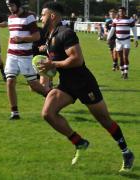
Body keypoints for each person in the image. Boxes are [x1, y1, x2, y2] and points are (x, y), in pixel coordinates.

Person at [40, 2, 134, 172]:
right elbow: (54, 61)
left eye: (43, 14)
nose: (41, 18)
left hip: (84, 84)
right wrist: (46, 70)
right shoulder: (50, 34)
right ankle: (79, 142)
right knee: (48, 113)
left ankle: (126, 152)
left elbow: (77, 59)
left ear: (52, 16)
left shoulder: (65, 33)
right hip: (67, 84)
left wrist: (52, 63)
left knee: (104, 120)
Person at [5, 0, 50, 120]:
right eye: (8, 5)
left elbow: (37, 36)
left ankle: (51, 95)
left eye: (12, 5)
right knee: (10, 81)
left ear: (18, 4)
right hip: (11, 55)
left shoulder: (29, 17)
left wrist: (22, 39)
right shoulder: (10, 18)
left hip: (25, 56)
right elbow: (12, 37)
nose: (10, 7)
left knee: (34, 85)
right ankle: (14, 113)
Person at [107, 7, 138, 79]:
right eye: (120, 11)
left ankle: (126, 73)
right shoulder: (115, 20)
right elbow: (112, 30)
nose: (121, 13)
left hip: (126, 40)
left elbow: (134, 29)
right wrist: (108, 38)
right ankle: (122, 72)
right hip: (118, 41)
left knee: (125, 56)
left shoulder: (129, 19)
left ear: (125, 12)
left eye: (122, 11)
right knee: (120, 57)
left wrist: (136, 40)